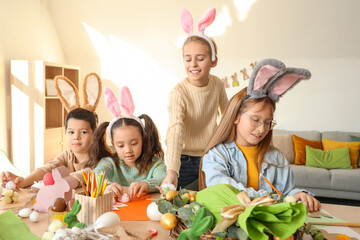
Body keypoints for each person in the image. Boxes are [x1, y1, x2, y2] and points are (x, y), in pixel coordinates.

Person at [200, 58, 321, 212]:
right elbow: (223, 189)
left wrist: (298, 194)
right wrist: (267, 197)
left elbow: (286, 193)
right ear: (236, 116)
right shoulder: (216, 155)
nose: (262, 129)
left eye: (268, 122)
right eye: (255, 120)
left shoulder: (276, 158)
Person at [162, 8, 228, 190]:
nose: (193, 64)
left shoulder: (217, 84)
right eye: (188, 59)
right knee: (182, 206)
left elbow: (228, 117)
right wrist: (172, 171)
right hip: (184, 160)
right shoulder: (178, 93)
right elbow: (175, 132)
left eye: (200, 58)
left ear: (213, 60)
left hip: (211, 156)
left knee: (210, 203)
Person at [1, 73, 102, 189]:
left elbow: (85, 174)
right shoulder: (68, 155)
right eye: (71, 132)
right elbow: (48, 168)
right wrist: (23, 181)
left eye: (83, 132)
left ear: (94, 133)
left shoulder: (101, 158)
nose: (76, 137)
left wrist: (60, 182)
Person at [88, 86, 166, 200]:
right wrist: (106, 187)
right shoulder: (109, 163)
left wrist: (146, 184)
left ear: (143, 139)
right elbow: (93, 177)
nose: (128, 150)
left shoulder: (155, 164)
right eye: (120, 145)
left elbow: (163, 178)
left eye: (134, 143)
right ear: (114, 144)